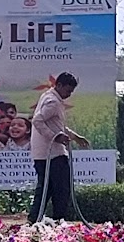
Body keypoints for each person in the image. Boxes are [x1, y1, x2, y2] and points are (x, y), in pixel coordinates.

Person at [28, 72, 88, 223]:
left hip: (44, 153)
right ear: (59, 85)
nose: (69, 94)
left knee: (46, 187)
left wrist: (75, 137)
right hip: (52, 154)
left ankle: (34, 219)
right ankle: (58, 220)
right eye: (68, 90)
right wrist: (55, 137)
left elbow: (58, 125)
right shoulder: (53, 102)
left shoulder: (49, 97)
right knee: (61, 188)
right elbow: (37, 120)